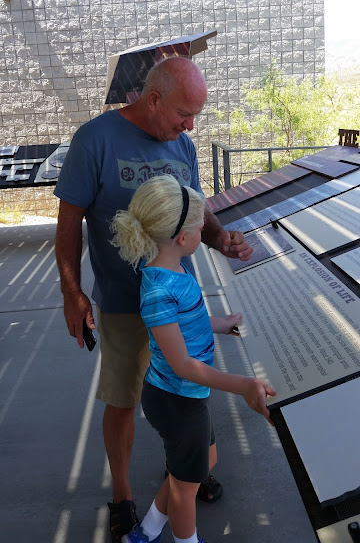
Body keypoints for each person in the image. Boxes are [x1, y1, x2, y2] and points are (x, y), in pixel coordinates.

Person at [54, 56, 254, 541]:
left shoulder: (180, 143)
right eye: (183, 114)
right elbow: (68, 223)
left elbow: (197, 209)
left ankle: (185, 472)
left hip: (174, 296)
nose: (189, 127)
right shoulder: (95, 140)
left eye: (195, 119)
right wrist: (72, 291)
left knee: (183, 391)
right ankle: (123, 495)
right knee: (123, 401)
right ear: (154, 97)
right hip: (123, 303)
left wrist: (220, 238)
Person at [110, 174, 276, 543]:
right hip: (175, 400)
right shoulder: (158, 290)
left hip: (187, 397)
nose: (206, 232)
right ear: (184, 239)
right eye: (201, 227)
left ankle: (146, 531)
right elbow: (183, 364)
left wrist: (222, 325)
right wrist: (243, 384)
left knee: (202, 465)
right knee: (186, 490)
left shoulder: (174, 271)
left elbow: (190, 321)